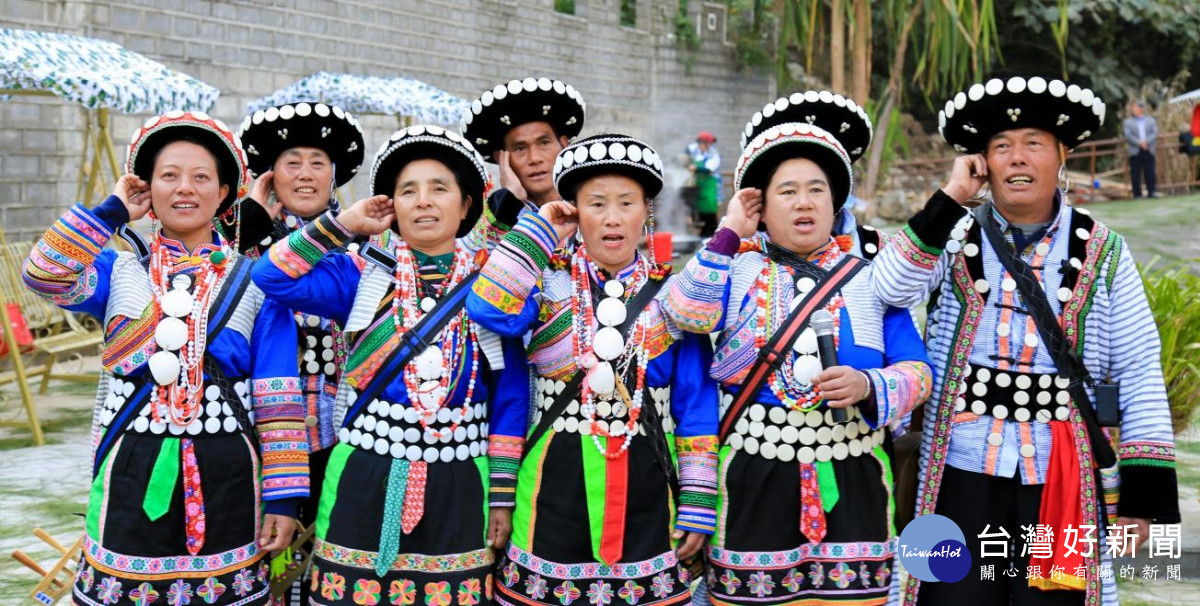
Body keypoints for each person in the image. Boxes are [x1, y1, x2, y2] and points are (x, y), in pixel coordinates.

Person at [871, 76, 1180, 606]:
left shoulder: (1104, 251)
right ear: (981, 163)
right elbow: (886, 288)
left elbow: (1137, 367)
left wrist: (1143, 497)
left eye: (1033, 143)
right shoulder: (952, 235)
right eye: (1000, 147)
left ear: (1061, 156)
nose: (1017, 159)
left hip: (1062, 474)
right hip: (959, 467)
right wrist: (951, 198)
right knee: (947, 597)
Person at [23, 110, 308, 605]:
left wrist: (284, 496)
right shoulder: (117, 273)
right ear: (147, 190)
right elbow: (44, 273)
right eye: (169, 176)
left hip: (228, 479)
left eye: (201, 178)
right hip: (130, 469)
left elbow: (278, 396)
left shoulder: (256, 282)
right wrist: (111, 211)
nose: (185, 189)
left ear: (223, 194)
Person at [663, 91, 933, 606]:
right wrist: (726, 234)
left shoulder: (871, 278)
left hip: (852, 473)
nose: (804, 202)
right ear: (761, 206)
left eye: (817, 190)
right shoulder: (734, 268)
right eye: (786, 191)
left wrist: (870, 385)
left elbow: (918, 371)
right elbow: (680, 314)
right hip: (753, 474)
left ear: (837, 204)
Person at [251, 124, 529, 606]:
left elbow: (511, 393)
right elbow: (270, 276)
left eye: (439, 189)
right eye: (408, 191)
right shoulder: (360, 275)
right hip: (365, 470)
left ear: (466, 206)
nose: (423, 202)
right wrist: (343, 226)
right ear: (392, 208)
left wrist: (502, 494)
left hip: (462, 476)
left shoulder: (494, 283)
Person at [467, 134, 719, 606]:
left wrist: (700, 500)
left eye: (627, 202)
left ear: (647, 210)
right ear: (574, 212)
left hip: (649, 484)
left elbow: (696, 401)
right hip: (550, 485)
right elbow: (486, 307)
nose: (612, 217)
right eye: (595, 203)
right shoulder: (547, 285)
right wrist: (541, 230)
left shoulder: (676, 297)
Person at [230, 101, 366, 603]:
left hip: (342, 435)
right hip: (256, 436)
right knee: (264, 565)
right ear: (271, 175)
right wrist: (251, 225)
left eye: (317, 162)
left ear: (335, 175)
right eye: (292, 162)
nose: (305, 174)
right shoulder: (237, 246)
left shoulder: (365, 250)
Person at [459, 77, 587, 222]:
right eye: (520, 148)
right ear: (501, 158)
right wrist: (512, 199)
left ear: (564, 145)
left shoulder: (592, 203)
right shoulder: (486, 216)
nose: (534, 158)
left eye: (544, 143)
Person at [687, 132, 722, 237]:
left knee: (710, 209)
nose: (700, 146)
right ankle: (702, 235)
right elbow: (686, 153)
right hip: (699, 186)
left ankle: (711, 235)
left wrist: (696, 168)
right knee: (700, 210)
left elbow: (709, 169)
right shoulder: (696, 152)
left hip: (709, 186)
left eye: (704, 143)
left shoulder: (714, 154)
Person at [1123, 100, 1160, 198]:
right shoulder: (1128, 122)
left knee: (1150, 171)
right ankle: (1137, 194)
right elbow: (1128, 135)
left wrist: (1146, 142)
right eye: (1133, 107)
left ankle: (1151, 192)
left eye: (1135, 107)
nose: (1133, 109)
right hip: (1135, 150)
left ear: (1141, 109)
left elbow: (1154, 133)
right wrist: (1139, 143)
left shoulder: (1150, 120)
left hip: (1148, 149)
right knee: (1135, 173)